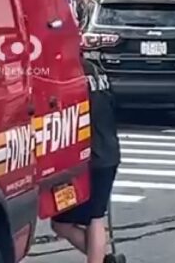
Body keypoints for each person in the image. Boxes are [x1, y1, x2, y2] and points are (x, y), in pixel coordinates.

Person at [51, 58, 121, 263]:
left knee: (86, 219)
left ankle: (101, 259)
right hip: (108, 150)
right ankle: (104, 259)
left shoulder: (68, 72)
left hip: (86, 155)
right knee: (85, 218)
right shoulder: (97, 71)